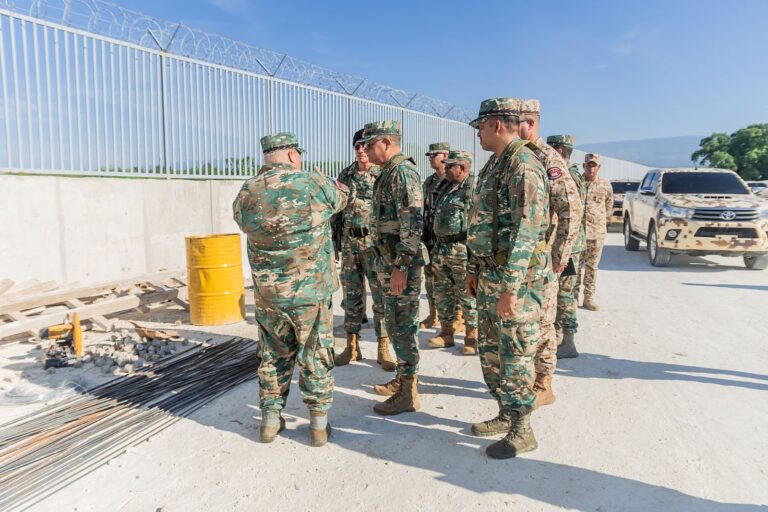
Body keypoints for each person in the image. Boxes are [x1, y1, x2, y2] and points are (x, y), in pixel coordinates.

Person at [232, 132, 349, 447]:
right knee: (315, 355)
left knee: (272, 355)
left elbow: (240, 219)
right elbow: (344, 197)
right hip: (310, 294)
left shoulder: (247, 191)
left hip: (269, 295)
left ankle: (270, 421)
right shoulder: (312, 184)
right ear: (294, 156)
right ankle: (318, 426)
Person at [465, 98, 550, 459]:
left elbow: (526, 233)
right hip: (489, 272)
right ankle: (505, 412)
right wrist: (473, 268)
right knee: (491, 351)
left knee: (515, 351)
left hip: (514, 279)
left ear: (497, 124)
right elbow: (481, 220)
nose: (479, 134)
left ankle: (522, 429)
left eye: (481, 127)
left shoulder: (523, 166)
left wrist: (510, 289)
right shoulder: (495, 163)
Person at [518, 102, 581, 407]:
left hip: (543, 260)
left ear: (529, 123)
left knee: (543, 323)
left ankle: (544, 383)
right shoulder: (517, 157)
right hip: (520, 261)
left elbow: (570, 208)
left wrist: (559, 256)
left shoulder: (546, 158)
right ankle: (527, 377)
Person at [362, 120, 427, 416]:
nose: (365, 150)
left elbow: (412, 223)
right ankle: (404, 379)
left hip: (400, 265)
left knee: (402, 325)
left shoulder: (402, 172)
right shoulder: (388, 173)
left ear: (387, 143)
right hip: (388, 262)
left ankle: (408, 394)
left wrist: (401, 265)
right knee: (397, 322)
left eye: (370, 144)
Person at [331, 129, 396, 371]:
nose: (360, 150)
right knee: (351, 297)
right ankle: (352, 346)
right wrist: (335, 243)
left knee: (381, 297)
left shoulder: (383, 174)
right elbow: (337, 212)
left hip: (375, 245)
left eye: (364, 145)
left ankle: (383, 347)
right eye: (356, 146)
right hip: (350, 245)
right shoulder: (345, 175)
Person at [427, 150, 478, 355]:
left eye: (450, 166)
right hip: (442, 248)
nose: (446, 169)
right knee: (443, 293)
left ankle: (471, 335)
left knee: (467, 295)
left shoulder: (472, 188)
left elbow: (476, 222)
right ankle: (446, 332)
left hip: (461, 248)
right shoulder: (446, 186)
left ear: (463, 167)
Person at [548, 135, 586, 359]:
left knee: (563, 293)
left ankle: (568, 342)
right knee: (563, 292)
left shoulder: (565, 174)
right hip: (569, 244)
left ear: (560, 151)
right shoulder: (574, 174)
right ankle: (560, 336)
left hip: (567, 246)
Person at [421, 142, 450, 330]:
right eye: (430, 155)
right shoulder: (429, 182)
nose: (431, 158)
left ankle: (457, 318)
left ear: (445, 155)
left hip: (448, 241)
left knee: (451, 282)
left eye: (435, 155)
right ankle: (434, 314)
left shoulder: (453, 179)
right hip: (430, 238)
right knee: (431, 280)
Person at [578, 153, 613, 311]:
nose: (591, 169)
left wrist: (599, 221)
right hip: (577, 234)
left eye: (594, 166)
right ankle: (571, 297)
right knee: (575, 268)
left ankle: (588, 298)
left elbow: (608, 207)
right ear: (584, 166)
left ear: (599, 167)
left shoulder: (605, 185)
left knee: (592, 268)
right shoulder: (576, 183)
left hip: (596, 234)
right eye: (588, 165)